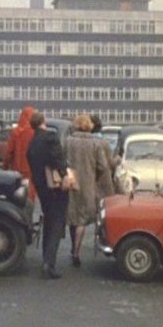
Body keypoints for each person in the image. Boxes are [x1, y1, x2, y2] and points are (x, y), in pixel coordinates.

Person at [26, 112, 69, 279]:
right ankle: (49, 264)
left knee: (48, 221)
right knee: (56, 224)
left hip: (41, 187)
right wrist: (64, 175)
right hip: (55, 187)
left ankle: (46, 259)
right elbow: (58, 158)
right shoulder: (50, 137)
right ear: (43, 122)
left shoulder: (32, 141)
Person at [65, 114, 112, 268]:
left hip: (71, 182)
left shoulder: (68, 141)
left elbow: (61, 160)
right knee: (83, 219)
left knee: (73, 216)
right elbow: (103, 166)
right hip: (87, 184)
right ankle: (76, 252)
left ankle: (73, 247)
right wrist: (94, 175)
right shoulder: (95, 144)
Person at [2, 106, 36, 202]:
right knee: (30, 197)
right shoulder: (35, 132)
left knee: (17, 196)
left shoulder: (16, 132)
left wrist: (4, 167)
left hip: (17, 170)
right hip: (31, 171)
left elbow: (8, 152)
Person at [89, 114, 116, 199]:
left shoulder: (87, 141)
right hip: (103, 181)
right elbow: (111, 163)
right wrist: (118, 160)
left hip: (89, 182)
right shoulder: (104, 143)